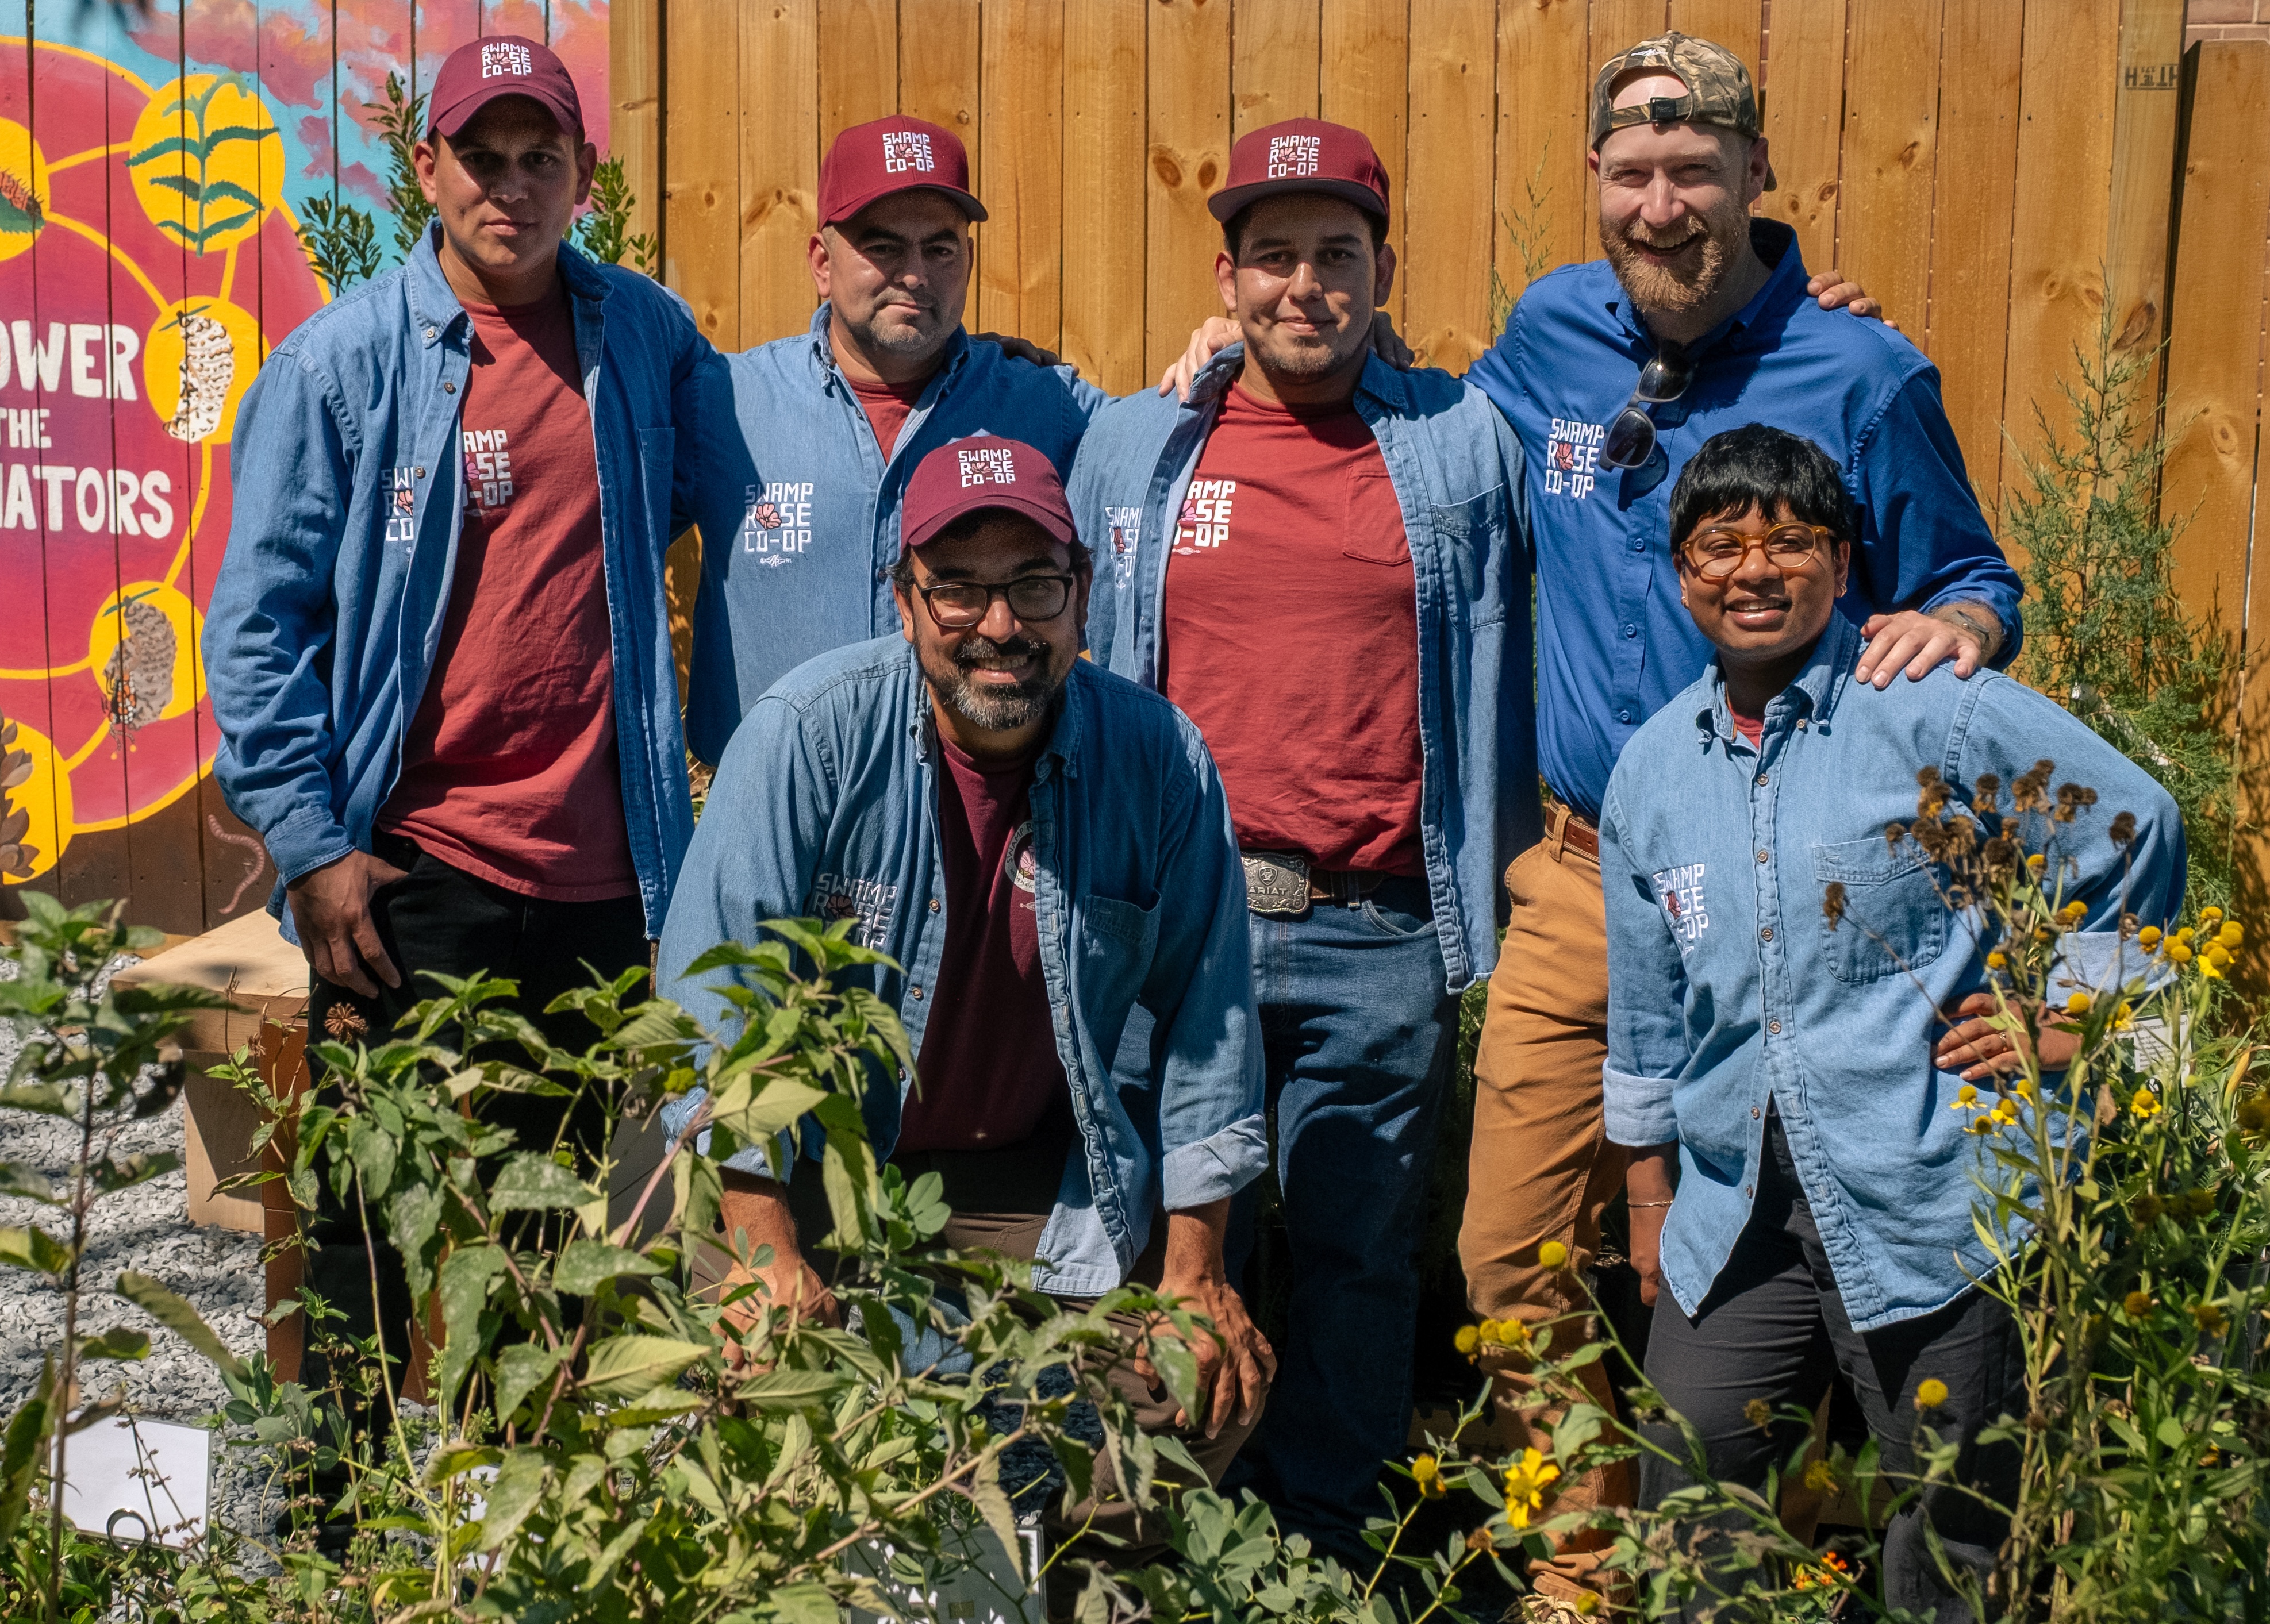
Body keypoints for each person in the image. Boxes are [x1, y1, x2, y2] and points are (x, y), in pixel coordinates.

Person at [1452, 33, 2027, 1605]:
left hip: (1828, 888)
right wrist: (1218, 352)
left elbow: (1970, 573)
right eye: (1632, 175)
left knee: (1816, 1246)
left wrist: (1964, 631)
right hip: (1587, 877)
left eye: (1694, 170)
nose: (1662, 205)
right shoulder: (1552, 333)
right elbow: (1413, 416)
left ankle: (1793, 1545)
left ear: (1756, 177)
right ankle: (1592, 1567)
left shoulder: (1863, 371)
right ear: (1594, 187)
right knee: (1513, 1254)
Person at [204, 34, 723, 1369]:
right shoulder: (342, 368)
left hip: (608, 879)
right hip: (415, 876)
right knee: (366, 1217)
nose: (510, 187)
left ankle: (503, 1538)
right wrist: (314, 847)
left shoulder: (649, 340)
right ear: (425, 167)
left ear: (583, 174)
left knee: (548, 1227)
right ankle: (343, 1536)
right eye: (479, 158)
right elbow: (258, 626)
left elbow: (784, 457)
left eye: (538, 158)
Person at [1601, 425, 2180, 1619]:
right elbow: (1646, 1011)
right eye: (1719, 545)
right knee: (1691, 1498)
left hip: (1931, 1190)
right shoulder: (1651, 772)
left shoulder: (1925, 711)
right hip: (1734, 1212)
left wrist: (2074, 1012)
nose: (1752, 571)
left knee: (1950, 1532)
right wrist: (1647, 1198)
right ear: (1678, 572)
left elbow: (2132, 823)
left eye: (1788, 542)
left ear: (1841, 559)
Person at [658, 435, 1273, 1558]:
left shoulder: (1159, 760)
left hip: (1040, 1183)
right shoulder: (806, 738)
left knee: (1186, 1395)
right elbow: (713, 1008)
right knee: (780, 1420)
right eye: (958, 589)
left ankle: (1086, 1589)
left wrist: (1193, 1272)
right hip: (814, 1177)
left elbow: (1212, 1028)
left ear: (1081, 594)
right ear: (904, 602)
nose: (999, 626)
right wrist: (760, 1249)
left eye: (1032, 586)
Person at [1061, 118, 1530, 1553]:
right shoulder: (1139, 440)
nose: (1303, 286)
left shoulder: (1460, 440)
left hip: (1374, 925)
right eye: (1273, 258)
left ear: (1386, 270)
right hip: (1171, 925)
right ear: (1227, 272)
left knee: (1355, 1256)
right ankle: (1138, 1537)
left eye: (1337, 254)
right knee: (1149, 1234)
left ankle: (1323, 1547)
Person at [682, 117, 1115, 767]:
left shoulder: (1042, 405)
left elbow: (1167, 446)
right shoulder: (725, 403)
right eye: (882, 248)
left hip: (976, 811)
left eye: (940, 249)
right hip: (769, 814)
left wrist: (1236, 355)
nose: (914, 274)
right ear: (822, 264)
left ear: (968, 260)